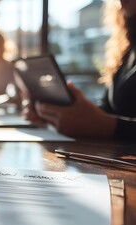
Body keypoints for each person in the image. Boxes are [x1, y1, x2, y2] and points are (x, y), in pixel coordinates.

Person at [23, 0, 136, 140]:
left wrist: (107, 126)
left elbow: (109, 122)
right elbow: (109, 109)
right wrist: (64, 113)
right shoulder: (127, 49)